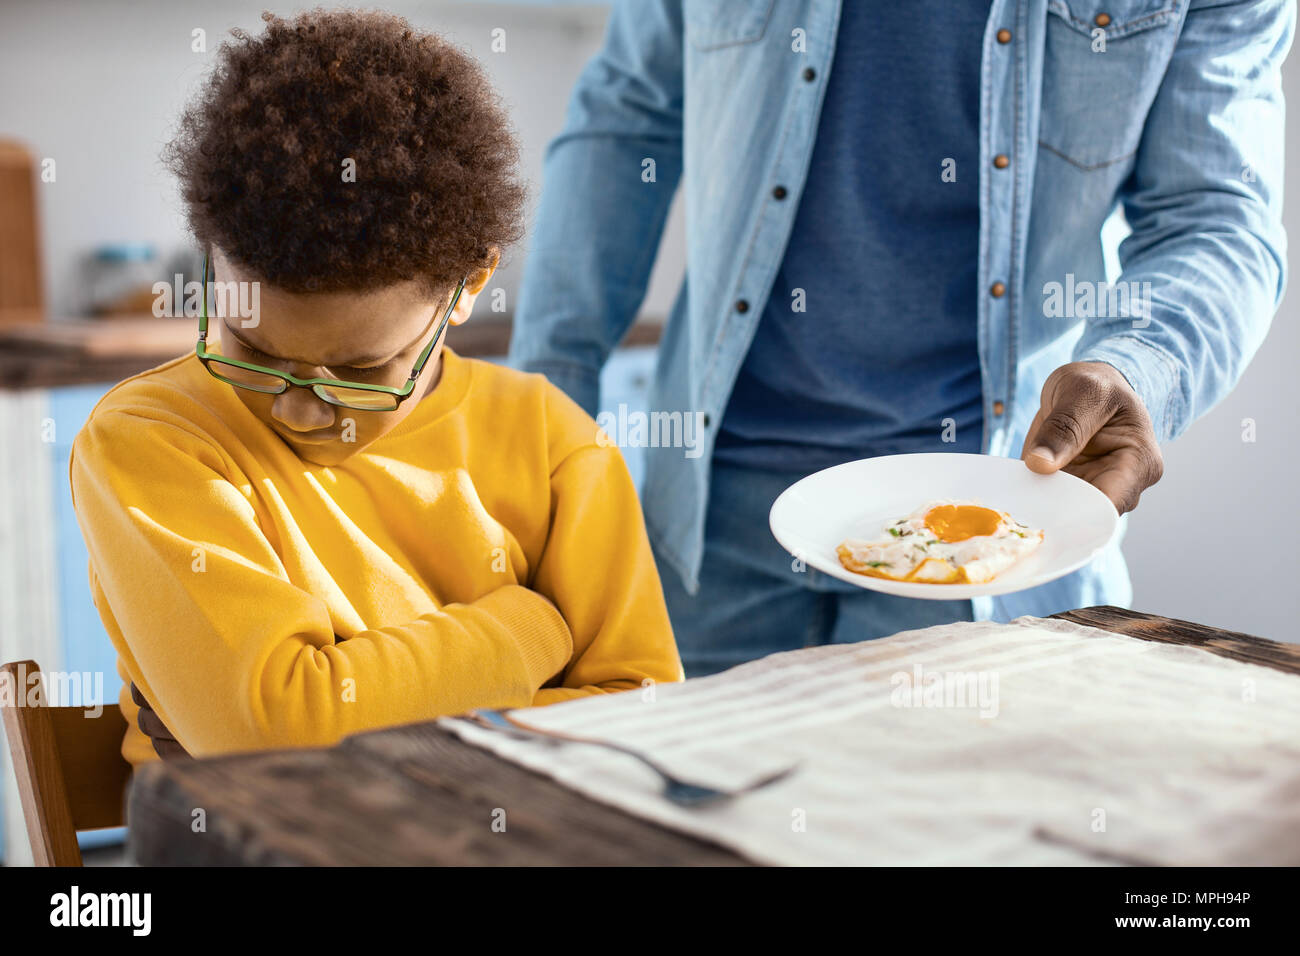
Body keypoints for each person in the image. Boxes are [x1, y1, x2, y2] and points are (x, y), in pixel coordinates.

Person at [509, 0, 1291, 676]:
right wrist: (546, 403)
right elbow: (627, 120)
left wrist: (1141, 366)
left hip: (998, 532)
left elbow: (1216, 213)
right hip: (703, 535)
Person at [70, 10, 682, 764]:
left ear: (469, 286)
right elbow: (274, 730)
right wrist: (532, 630)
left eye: (360, 372)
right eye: (252, 348)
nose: (298, 407)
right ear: (211, 261)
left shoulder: (556, 443)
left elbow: (642, 720)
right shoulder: (153, 439)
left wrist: (344, 704)